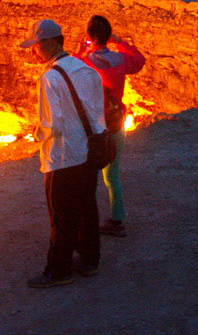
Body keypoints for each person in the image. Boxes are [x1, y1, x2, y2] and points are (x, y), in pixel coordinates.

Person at [19, 19, 105, 287]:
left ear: (48, 43)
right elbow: (97, 111)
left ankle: (59, 271)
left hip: (63, 156)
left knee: (61, 215)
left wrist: (35, 135)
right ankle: (90, 261)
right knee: (87, 207)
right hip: (89, 151)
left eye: (35, 45)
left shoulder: (50, 78)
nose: (33, 51)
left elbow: (50, 125)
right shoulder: (87, 70)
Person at [76, 15, 145, 238]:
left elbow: (73, 68)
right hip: (115, 126)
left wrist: (81, 47)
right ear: (108, 35)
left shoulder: (84, 61)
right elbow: (139, 60)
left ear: (89, 36)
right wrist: (119, 42)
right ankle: (117, 221)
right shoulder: (120, 59)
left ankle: (88, 223)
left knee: (88, 178)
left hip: (92, 130)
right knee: (112, 177)